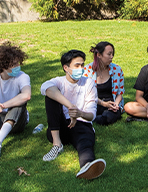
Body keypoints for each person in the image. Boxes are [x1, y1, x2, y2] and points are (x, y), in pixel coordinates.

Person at [41, 49, 106, 180]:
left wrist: (79, 113)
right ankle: (57, 145)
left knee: (85, 142)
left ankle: (87, 166)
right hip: (60, 128)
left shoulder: (88, 83)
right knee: (51, 97)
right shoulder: (58, 81)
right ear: (66, 68)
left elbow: (92, 115)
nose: (81, 68)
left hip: (82, 124)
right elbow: (45, 87)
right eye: (77, 65)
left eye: (82, 65)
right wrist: (71, 107)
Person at [83, 41, 124, 125]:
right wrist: (104, 104)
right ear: (99, 55)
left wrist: (115, 105)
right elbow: (86, 94)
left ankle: (96, 118)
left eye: (112, 54)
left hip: (111, 103)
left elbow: (120, 92)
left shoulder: (117, 70)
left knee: (108, 116)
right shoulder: (87, 71)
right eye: (109, 54)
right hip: (95, 102)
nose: (111, 57)